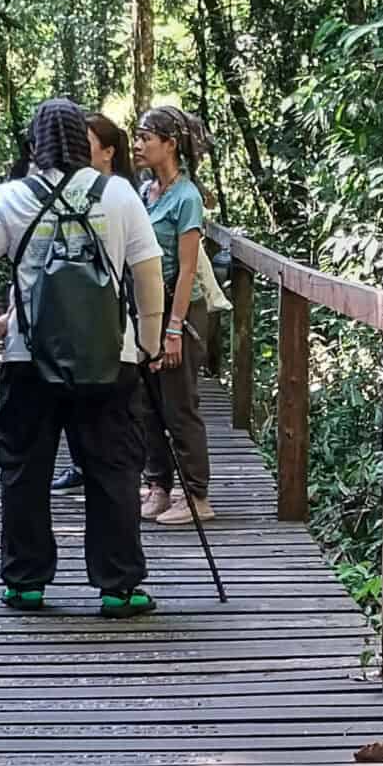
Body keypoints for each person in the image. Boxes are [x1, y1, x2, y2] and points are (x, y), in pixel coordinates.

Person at [0, 99, 166, 617]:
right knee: (113, 469)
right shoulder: (118, 194)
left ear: (35, 145)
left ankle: (25, 582)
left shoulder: (12, 197)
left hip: (29, 358)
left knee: (25, 468)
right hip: (111, 357)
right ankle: (119, 587)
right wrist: (150, 342)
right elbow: (148, 273)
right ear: (84, 143)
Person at [135, 104, 213, 526]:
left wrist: (174, 329)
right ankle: (159, 486)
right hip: (147, 306)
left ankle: (196, 495)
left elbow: (186, 268)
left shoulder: (187, 197)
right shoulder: (145, 192)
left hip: (178, 308)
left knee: (179, 403)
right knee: (147, 402)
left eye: (147, 137)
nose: (139, 144)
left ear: (170, 144)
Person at [56, 112, 136, 496]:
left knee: (113, 418)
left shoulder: (119, 191)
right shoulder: (57, 188)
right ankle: (79, 465)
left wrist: (154, 331)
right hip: (68, 320)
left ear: (107, 151)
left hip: (111, 321)